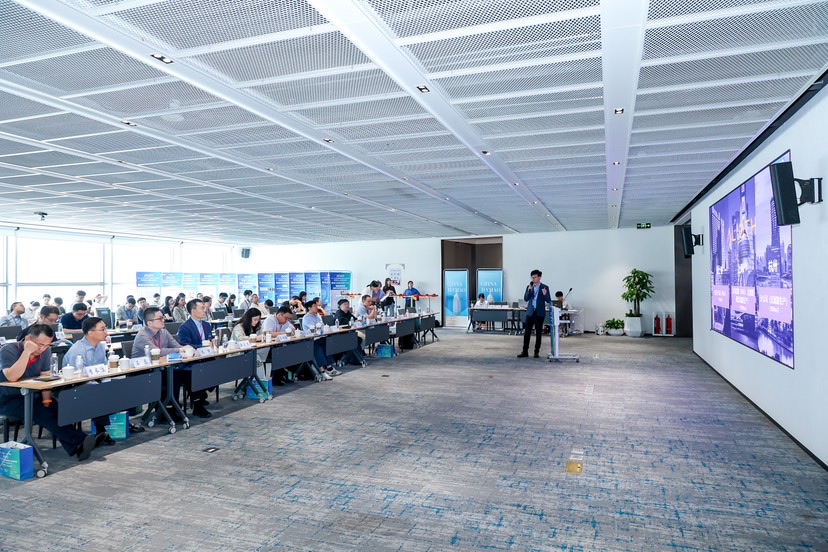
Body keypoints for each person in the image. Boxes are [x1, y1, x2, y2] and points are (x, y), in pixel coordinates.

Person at [0, 324, 101, 461]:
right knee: (42, 412)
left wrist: (47, 400)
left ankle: (77, 447)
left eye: (47, 345)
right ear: (28, 339)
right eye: (40, 344)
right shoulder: (8, 350)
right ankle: (80, 441)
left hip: (33, 394)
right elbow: (12, 377)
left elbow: (45, 377)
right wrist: (26, 352)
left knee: (57, 408)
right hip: (8, 398)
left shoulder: (45, 351)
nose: (42, 349)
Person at [61, 317, 118, 446]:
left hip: (94, 383)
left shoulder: (100, 346)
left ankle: (108, 428)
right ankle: (101, 430)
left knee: (117, 388)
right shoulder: (78, 350)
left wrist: (106, 382)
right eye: (102, 329)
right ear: (91, 333)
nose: (106, 332)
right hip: (74, 387)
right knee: (99, 392)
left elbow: (104, 369)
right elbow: (77, 377)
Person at [176, 298, 213, 418]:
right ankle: (198, 405)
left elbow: (211, 340)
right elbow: (184, 345)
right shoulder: (185, 327)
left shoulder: (206, 325)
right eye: (202, 308)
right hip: (190, 362)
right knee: (196, 372)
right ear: (193, 311)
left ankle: (202, 394)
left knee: (218, 367)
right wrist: (202, 346)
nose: (205, 310)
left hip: (205, 358)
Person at [518, 269, 553, 359]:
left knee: (538, 333)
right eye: (532, 277)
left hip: (539, 313)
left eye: (535, 277)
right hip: (530, 312)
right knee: (527, 333)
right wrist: (529, 290)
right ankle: (525, 351)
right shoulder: (529, 287)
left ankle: (536, 351)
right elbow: (526, 298)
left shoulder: (545, 287)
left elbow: (548, 300)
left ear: (539, 277)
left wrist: (545, 294)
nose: (533, 279)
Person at [301, 300, 337, 379]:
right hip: (311, 339)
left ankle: (329, 367)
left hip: (320, 336)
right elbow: (314, 328)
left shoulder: (317, 315)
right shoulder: (306, 318)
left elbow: (322, 326)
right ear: (309, 308)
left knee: (328, 343)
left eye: (317, 306)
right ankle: (322, 370)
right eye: (314, 306)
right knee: (317, 347)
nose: (317, 307)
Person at [334, 299, 365, 365]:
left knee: (358, 339)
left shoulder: (348, 313)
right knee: (356, 340)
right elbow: (343, 323)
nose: (347, 306)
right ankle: (349, 359)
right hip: (340, 335)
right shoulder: (339, 314)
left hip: (348, 333)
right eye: (345, 304)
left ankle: (351, 359)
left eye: (348, 304)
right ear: (340, 306)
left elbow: (355, 320)